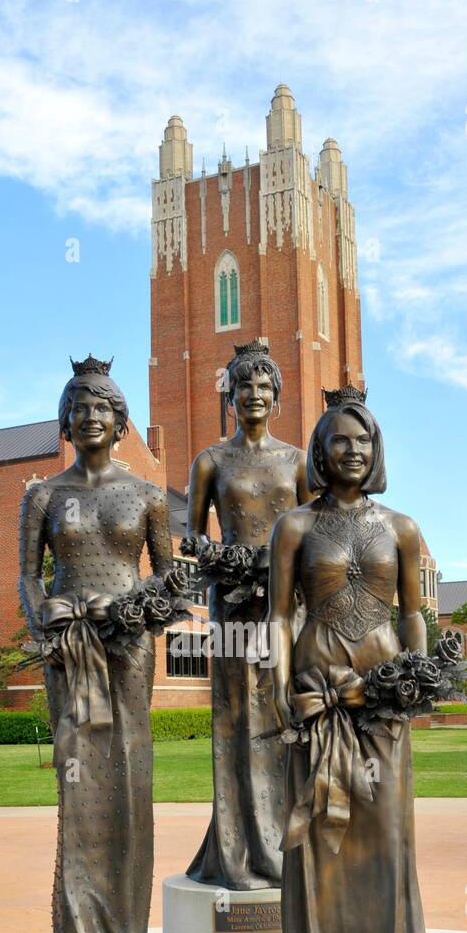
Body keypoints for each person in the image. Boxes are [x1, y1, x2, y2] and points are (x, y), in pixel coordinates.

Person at [267, 387, 438, 933]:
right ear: (320, 449)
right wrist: (281, 691)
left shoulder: (402, 529)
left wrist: (411, 683)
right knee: (321, 843)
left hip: (383, 700)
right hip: (318, 693)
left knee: (384, 840)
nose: (353, 450)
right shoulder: (296, 527)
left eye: (364, 440)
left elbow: (416, 616)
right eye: (341, 439)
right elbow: (280, 618)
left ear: (377, 450)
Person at [19, 355, 177, 933]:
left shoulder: (147, 495)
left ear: (120, 422)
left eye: (102, 407)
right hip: (69, 647)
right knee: (80, 772)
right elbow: (28, 574)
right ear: (66, 419)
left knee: (130, 769)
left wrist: (130, 606)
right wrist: (46, 618)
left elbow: (168, 576)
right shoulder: (43, 495)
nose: (90, 415)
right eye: (79, 406)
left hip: (129, 644)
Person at [184, 340, 308, 890]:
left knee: (282, 712)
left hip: (285, 605)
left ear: (276, 397)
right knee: (236, 715)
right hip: (231, 605)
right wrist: (225, 561)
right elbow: (192, 535)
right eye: (243, 387)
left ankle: (283, 840)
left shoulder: (297, 461)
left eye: (263, 387)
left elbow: (312, 530)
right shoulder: (210, 462)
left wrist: (278, 571)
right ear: (230, 396)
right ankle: (236, 846)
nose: (253, 395)